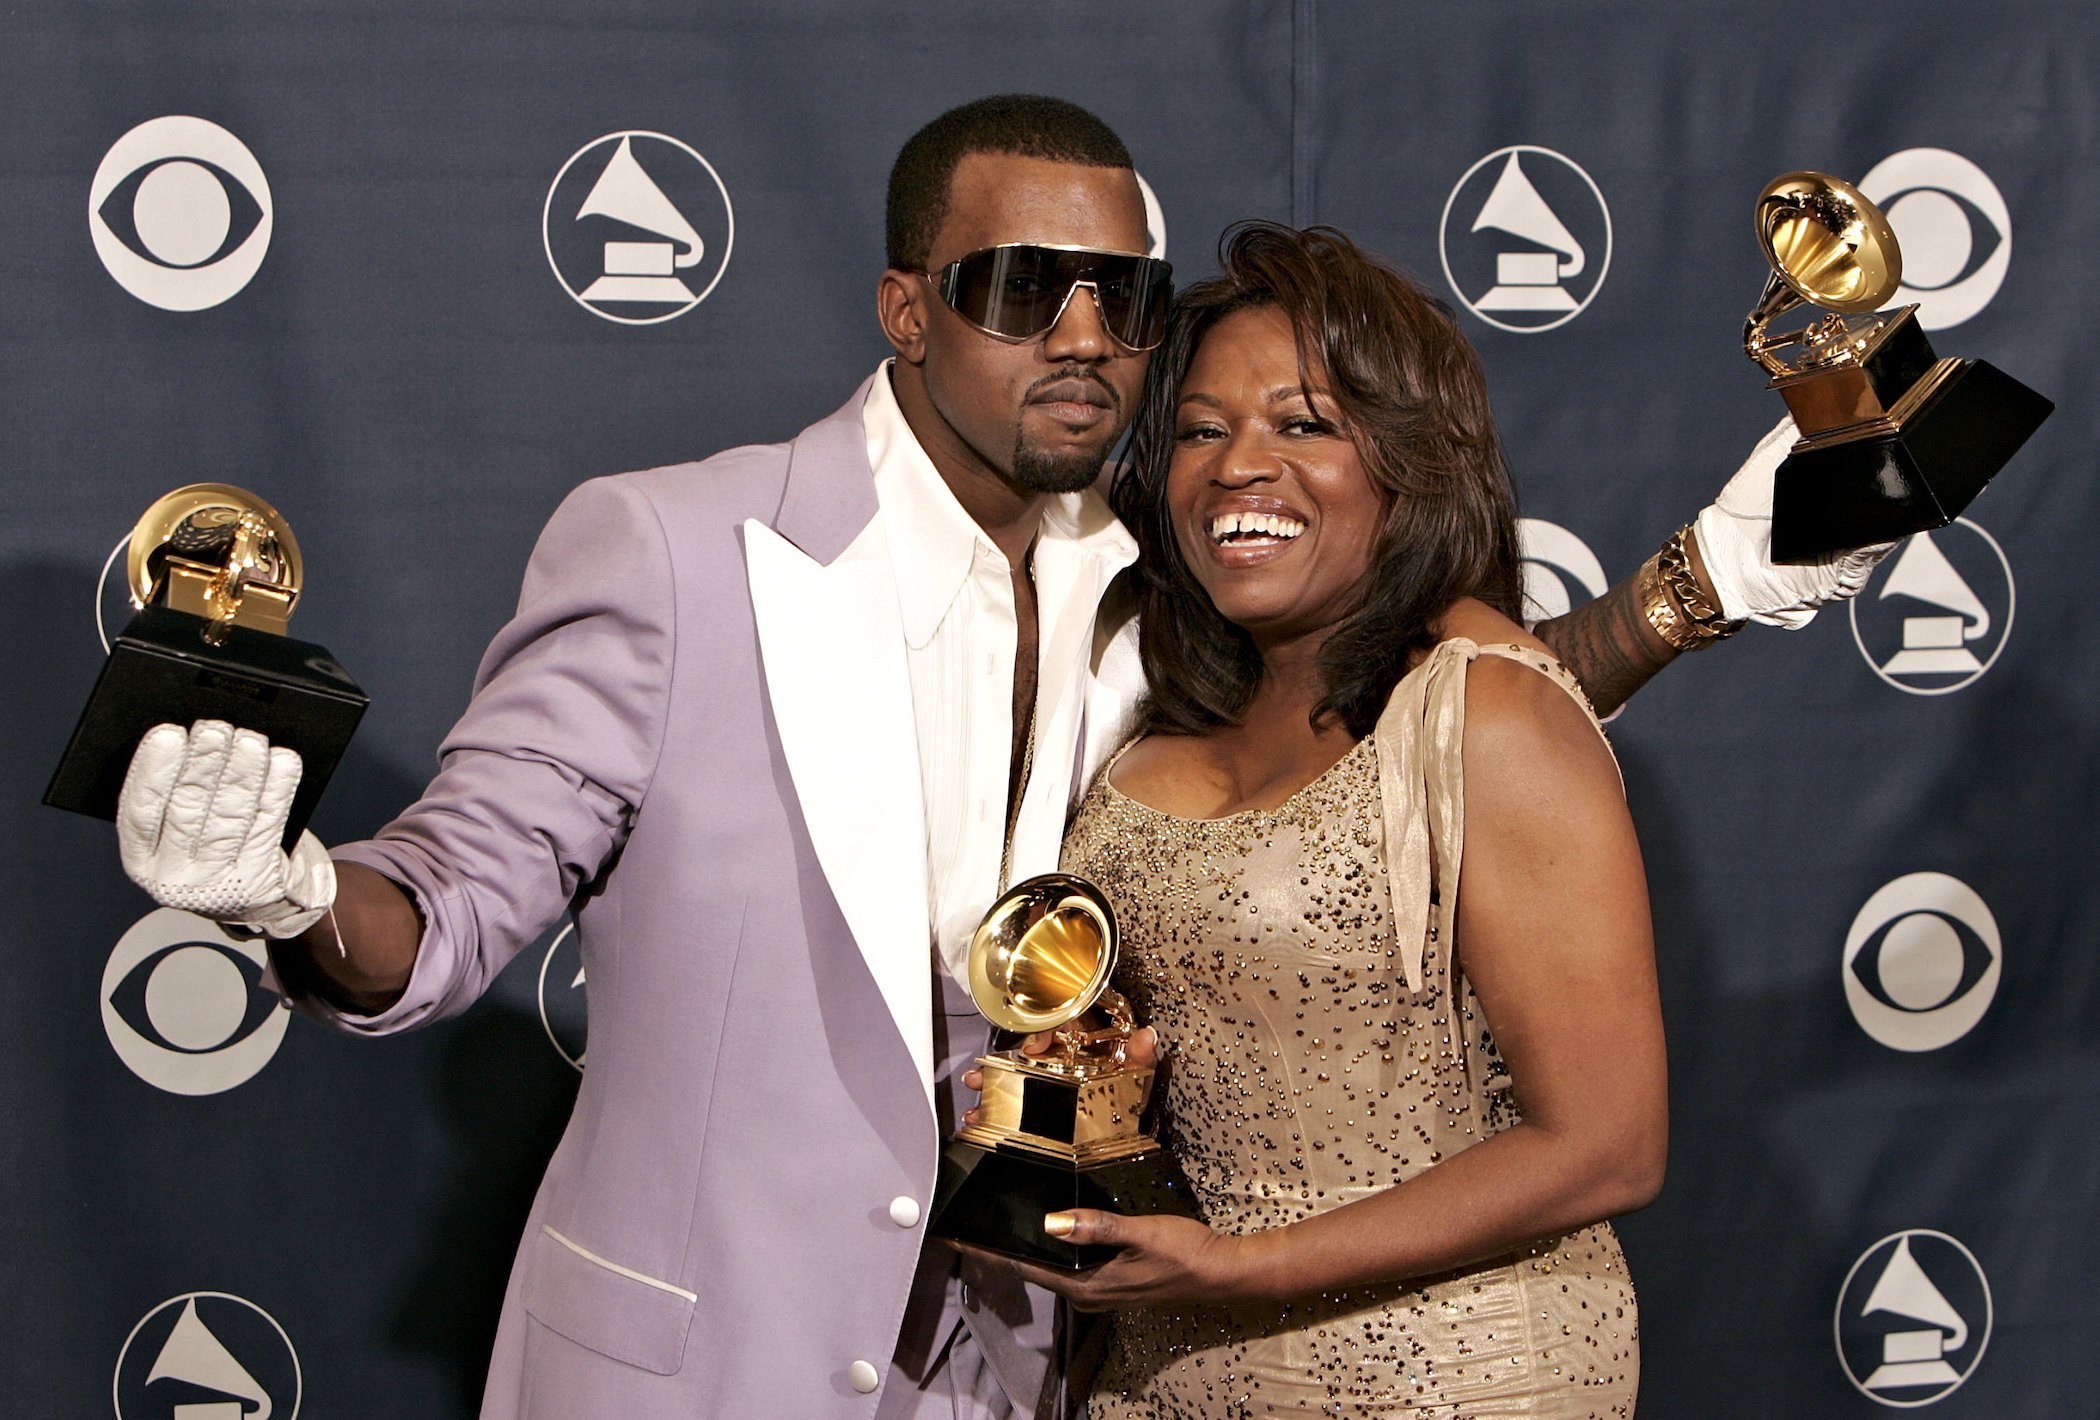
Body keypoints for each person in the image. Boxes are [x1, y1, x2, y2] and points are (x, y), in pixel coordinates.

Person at [110, 98, 1881, 1418]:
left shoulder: (1176, 583)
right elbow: (448, 900)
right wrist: (287, 889)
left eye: (1123, 294)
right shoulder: (676, 549)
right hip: (701, 1372)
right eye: (1023, 289)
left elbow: (1393, 748)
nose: (1088, 338)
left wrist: (1710, 586)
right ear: (907, 307)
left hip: (1024, 1376)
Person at [981, 223, 1665, 1416]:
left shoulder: (1485, 711)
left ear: (1407, 460)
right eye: (1201, 428)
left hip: (1455, 1376)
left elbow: (1606, 1143)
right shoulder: (1155, 714)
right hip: (1165, 1368)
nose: (1240, 464)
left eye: (1303, 424)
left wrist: (1243, 1267)